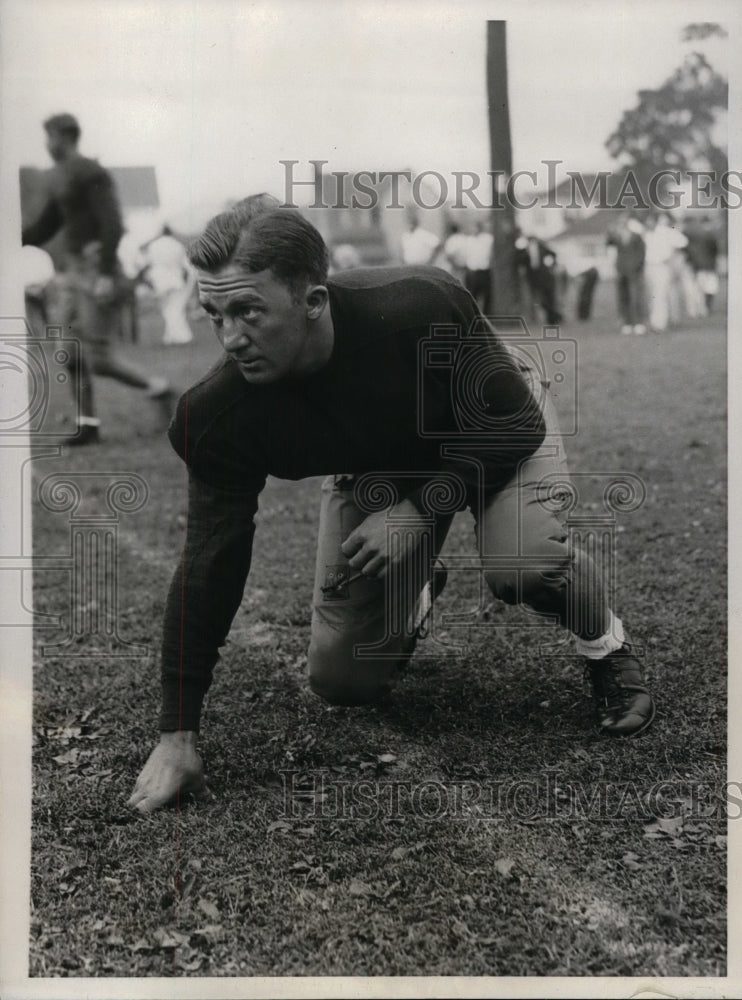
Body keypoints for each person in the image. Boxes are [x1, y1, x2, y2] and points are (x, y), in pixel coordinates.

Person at [127, 200, 655, 814]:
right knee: (343, 681)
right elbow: (207, 563)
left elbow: (514, 423)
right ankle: (417, 590)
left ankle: (607, 648)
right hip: (383, 459)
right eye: (214, 314)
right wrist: (177, 736)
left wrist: (417, 511)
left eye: (249, 311)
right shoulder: (219, 415)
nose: (231, 338)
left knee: (523, 566)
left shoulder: (416, 306)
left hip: (488, 424)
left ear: (314, 302)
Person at [21, 113, 175, 444]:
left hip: (94, 269)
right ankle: (88, 425)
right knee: (70, 352)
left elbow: (113, 223)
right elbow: (47, 225)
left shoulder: (90, 171)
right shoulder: (61, 177)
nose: (47, 145)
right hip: (73, 271)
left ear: (64, 136)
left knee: (99, 359)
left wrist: (105, 272)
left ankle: (161, 389)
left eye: (50, 137)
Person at [141, 224, 196, 345]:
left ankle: (178, 336)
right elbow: (185, 265)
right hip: (175, 279)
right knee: (174, 308)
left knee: (167, 309)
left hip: (159, 280)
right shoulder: (177, 245)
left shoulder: (153, 245)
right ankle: (175, 336)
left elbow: (146, 262)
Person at [643, 212, 688, 333]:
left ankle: (659, 323)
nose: (648, 223)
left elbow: (683, 241)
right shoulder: (646, 233)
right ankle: (655, 320)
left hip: (662, 266)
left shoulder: (665, 232)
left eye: (650, 220)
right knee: (651, 295)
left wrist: (671, 255)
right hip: (648, 266)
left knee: (660, 295)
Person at [606, 211, 647, 335]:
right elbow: (608, 244)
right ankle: (627, 323)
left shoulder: (636, 236)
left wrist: (638, 266)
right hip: (621, 270)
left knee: (636, 297)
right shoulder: (616, 236)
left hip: (634, 271)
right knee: (624, 297)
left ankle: (638, 323)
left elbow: (642, 253)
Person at [514, 234, 562, 324]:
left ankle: (552, 318)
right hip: (532, 278)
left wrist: (552, 265)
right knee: (540, 300)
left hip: (544, 276)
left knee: (548, 299)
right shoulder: (523, 250)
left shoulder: (541, 247)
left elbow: (553, 254)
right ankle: (555, 316)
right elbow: (519, 261)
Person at [463, 220, 494, 313]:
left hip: (484, 270)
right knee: (472, 296)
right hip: (472, 271)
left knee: (487, 296)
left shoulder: (488, 239)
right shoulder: (468, 240)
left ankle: (487, 318)